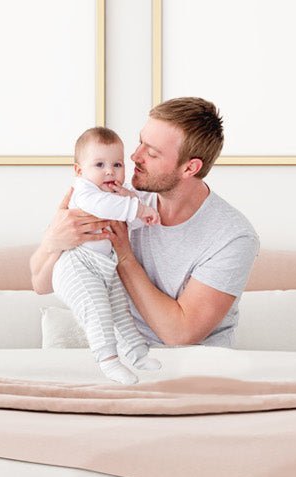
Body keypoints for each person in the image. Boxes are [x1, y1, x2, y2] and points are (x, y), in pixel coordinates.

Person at [31, 97, 259, 357]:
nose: (134, 157)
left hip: (193, 369)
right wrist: (54, 241)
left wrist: (125, 255)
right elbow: (41, 283)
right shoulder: (115, 200)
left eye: (151, 153)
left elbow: (179, 334)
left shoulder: (232, 237)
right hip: (121, 361)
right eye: (140, 142)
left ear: (189, 167)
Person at [52, 126, 163, 383]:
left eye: (117, 164)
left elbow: (129, 223)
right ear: (79, 171)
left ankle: (137, 353)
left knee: (120, 309)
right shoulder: (85, 192)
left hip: (103, 265)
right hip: (76, 265)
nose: (110, 171)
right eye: (99, 164)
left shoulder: (116, 196)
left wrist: (136, 206)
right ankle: (108, 360)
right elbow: (106, 207)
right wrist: (136, 207)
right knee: (99, 311)